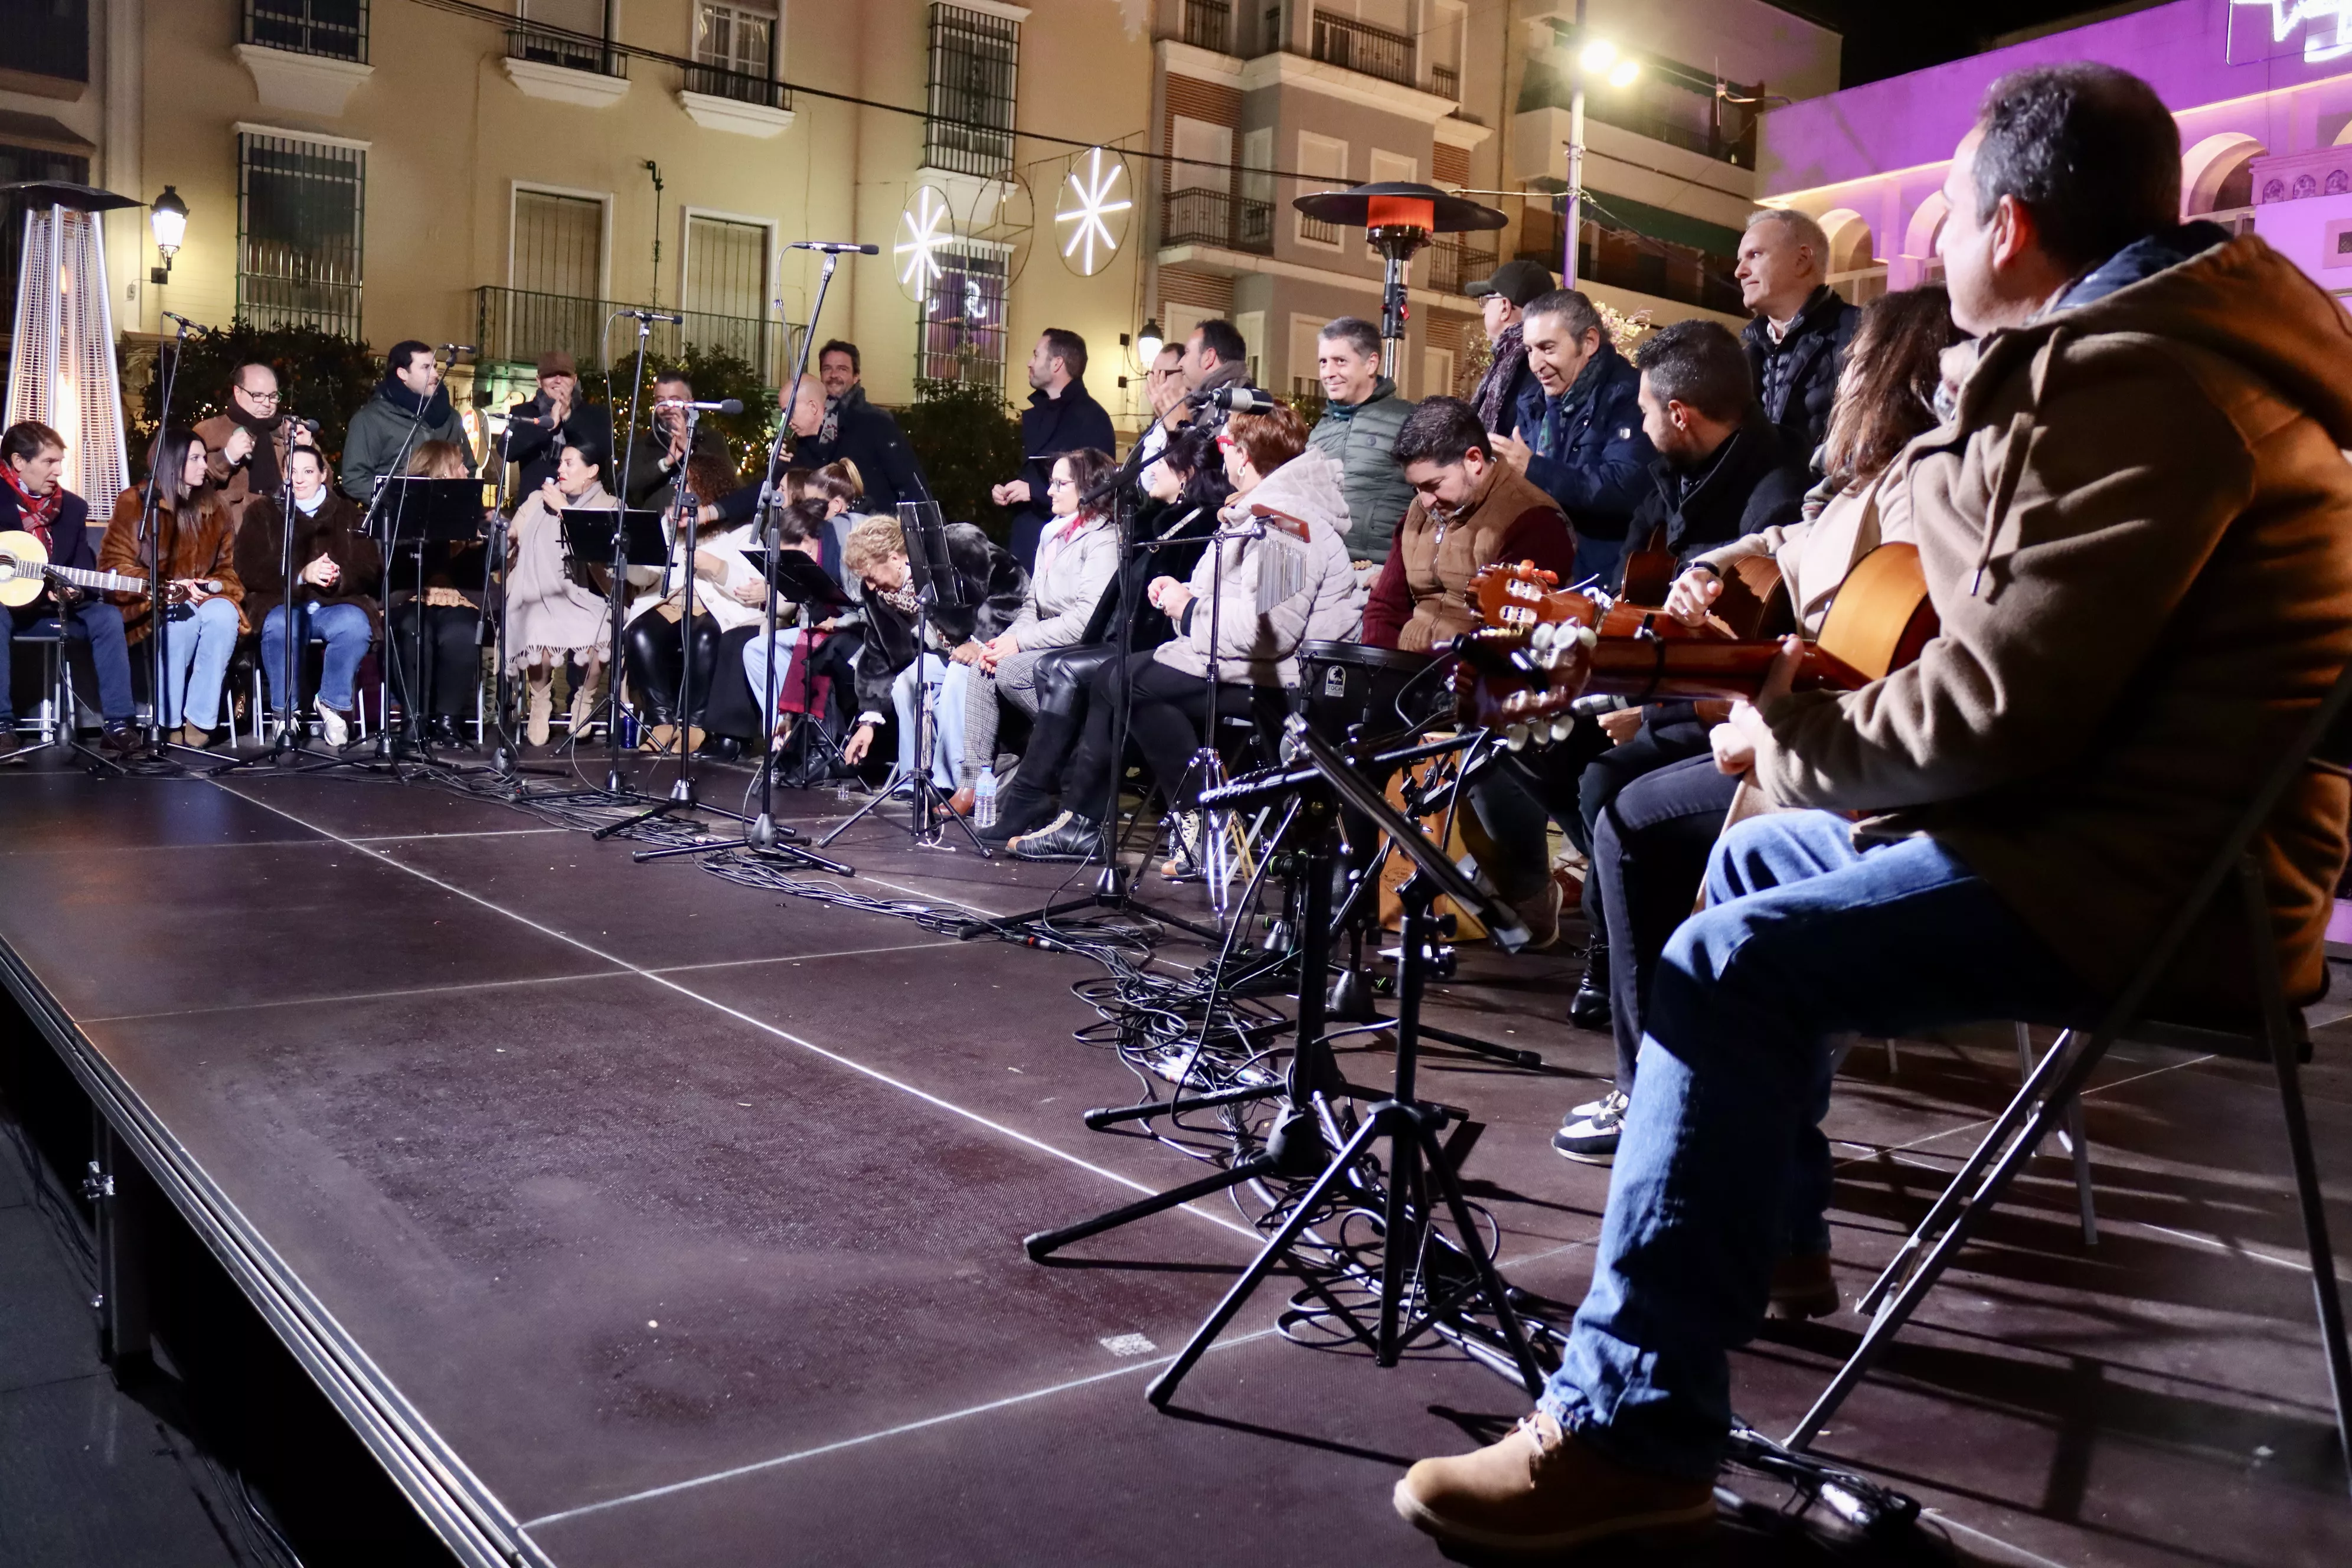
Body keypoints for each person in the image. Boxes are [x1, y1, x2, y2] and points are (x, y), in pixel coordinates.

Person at [1394, 62, 2352, 1552]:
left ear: (2011, 225)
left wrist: (1773, 716)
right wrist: (1768, 617)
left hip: (2159, 881)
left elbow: (1996, 711)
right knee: (1753, 852)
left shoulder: (2147, 384)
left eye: (1948, 220)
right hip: (2083, 830)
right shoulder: (2112, 361)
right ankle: (1763, 1238)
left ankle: (1634, 1428)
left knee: (1730, 955)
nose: (1928, 256)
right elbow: (1907, 548)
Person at [1553, 285, 1957, 1168]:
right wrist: (1720, 565)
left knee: (1628, 816)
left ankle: (1656, 1089)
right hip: (1825, 738)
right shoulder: (1873, 480)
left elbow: (1905, 638)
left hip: (1865, 769)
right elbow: (1789, 545)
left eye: (1857, 365)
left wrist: (1770, 736)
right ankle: (1665, 1081)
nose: (1842, 377)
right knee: (1623, 798)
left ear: (1885, 374)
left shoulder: (1929, 486)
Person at [1557, 318, 1808, 1030]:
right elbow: (1632, 582)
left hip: (1737, 712)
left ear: (1680, 414)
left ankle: (1633, 967)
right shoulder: (1673, 472)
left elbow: (1757, 636)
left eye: (1642, 411)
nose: (1637, 424)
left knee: (1609, 784)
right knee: (1549, 745)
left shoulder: (1778, 485)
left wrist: (1654, 704)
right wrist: (1575, 612)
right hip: (1676, 690)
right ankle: (1626, 943)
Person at [1014, 405, 1357, 865]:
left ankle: (1201, 819)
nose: (1222, 457)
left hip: (1286, 681)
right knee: (1116, 677)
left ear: (1244, 455)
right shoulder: (1257, 511)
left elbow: (1270, 632)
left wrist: (1190, 608)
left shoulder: (1286, 523)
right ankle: (1085, 821)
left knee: (1128, 682)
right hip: (1242, 662)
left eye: (1225, 447)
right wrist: (1182, 594)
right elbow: (1229, 597)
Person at [1361, 397, 1580, 943]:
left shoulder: (1532, 519)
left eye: (1433, 485)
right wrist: (1376, 676)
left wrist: (1425, 672)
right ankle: (1363, 883)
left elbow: (1513, 639)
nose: (1424, 501)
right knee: (1346, 730)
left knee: (1485, 762)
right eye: (1416, 488)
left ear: (1476, 460)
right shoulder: (1422, 510)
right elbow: (1387, 607)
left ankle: (1529, 889)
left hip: (1486, 681)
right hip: (1413, 672)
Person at [979, 423, 1224, 846]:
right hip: (1124, 642)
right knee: (1052, 668)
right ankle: (1039, 802)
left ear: (1184, 472)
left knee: (1072, 672)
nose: (1150, 470)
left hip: (1166, 647)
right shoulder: (1153, 521)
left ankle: (1047, 805)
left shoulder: (1200, 524)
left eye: (1162, 461)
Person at [950, 446, 1121, 811]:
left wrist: (1020, 643)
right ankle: (972, 786)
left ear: (1089, 488)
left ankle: (1068, 749)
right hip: (1046, 640)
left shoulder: (1104, 539)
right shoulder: (1052, 533)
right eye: (1051, 482)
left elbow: (1085, 620)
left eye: (1061, 483)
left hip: (1084, 646)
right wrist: (1008, 639)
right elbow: (1032, 603)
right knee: (986, 663)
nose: (1049, 491)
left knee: (1009, 670)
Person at [837, 513, 1027, 792]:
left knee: (955, 681)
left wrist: (980, 641)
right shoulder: (878, 594)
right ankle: (912, 779)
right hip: (945, 654)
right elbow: (877, 653)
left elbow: (1013, 590)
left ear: (894, 558)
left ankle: (954, 784)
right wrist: (868, 721)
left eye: (871, 576)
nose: (871, 586)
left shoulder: (955, 548)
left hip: (994, 646)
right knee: (907, 683)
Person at [1486, 289, 1654, 585]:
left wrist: (1533, 469)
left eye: (1547, 348)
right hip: (1539, 572)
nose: (1535, 364)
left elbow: (1624, 488)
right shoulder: (1532, 402)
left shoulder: (1631, 398)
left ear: (1588, 342)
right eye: (1529, 350)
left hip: (1600, 579)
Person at [100, 427, 246, 749]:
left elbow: (228, 570)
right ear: (171, 462)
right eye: (194, 459)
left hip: (206, 596)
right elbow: (113, 565)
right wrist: (166, 586)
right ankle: (168, 720)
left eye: (204, 458)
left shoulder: (216, 508)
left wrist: (210, 586)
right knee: (183, 619)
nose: (204, 466)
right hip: (153, 599)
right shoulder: (135, 502)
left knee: (224, 615)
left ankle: (200, 718)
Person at [620, 449, 770, 757]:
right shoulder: (669, 525)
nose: (678, 490)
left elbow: (751, 585)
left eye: (686, 484)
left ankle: (696, 725)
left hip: (716, 607)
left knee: (703, 635)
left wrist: (715, 566)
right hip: (674, 602)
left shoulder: (740, 529)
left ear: (708, 489)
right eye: (678, 485)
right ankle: (661, 720)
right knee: (639, 633)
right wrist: (632, 555)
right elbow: (646, 575)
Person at [0, 421, 136, 760]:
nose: (59, 471)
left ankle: (119, 726)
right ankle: (2, 727)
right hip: (7, 608)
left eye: (60, 461)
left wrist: (74, 592)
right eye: (49, 462)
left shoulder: (73, 508)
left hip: (52, 608)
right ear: (19, 462)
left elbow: (82, 569)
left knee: (106, 616)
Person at [237, 443, 382, 747]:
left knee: (356, 625)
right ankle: (284, 714)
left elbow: (371, 567)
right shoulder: (262, 512)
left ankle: (331, 704)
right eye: (292, 471)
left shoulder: (347, 514)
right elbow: (248, 567)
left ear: (323, 475)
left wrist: (341, 576)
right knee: (279, 626)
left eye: (308, 471)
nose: (299, 478)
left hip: (335, 603)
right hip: (284, 603)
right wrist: (301, 574)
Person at [504, 440, 618, 747]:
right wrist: (509, 537)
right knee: (537, 632)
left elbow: (602, 557)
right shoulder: (535, 501)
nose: (560, 469)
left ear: (592, 471)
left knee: (601, 634)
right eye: (561, 463)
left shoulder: (609, 506)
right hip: (535, 593)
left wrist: (565, 512)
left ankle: (584, 698)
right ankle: (540, 700)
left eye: (569, 463)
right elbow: (514, 534)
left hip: (584, 594)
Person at [1734, 208, 1861, 464]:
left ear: (1802, 259)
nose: (1740, 271)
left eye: (1755, 255)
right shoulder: (1744, 358)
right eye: (1740, 260)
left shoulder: (1863, 336)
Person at [385, 441, 491, 747]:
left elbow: (485, 567)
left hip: (459, 594)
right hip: (412, 594)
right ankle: (413, 721)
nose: (465, 470)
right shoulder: (406, 506)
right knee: (413, 629)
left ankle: (447, 722)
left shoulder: (473, 511)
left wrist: (483, 539)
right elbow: (395, 562)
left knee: (461, 631)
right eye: (459, 464)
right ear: (442, 472)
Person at [990, 329, 1117, 571]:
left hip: (1065, 554)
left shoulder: (1093, 419)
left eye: (1036, 355)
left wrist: (1034, 491)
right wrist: (1008, 490)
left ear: (1057, 363)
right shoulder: (1038, 414)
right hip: (1026, 545)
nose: (1030, 363)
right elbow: (1029, 471)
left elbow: (1099, 489)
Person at [1304, 316, 1415, 571]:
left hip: (1383, 571)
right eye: (1323, 362)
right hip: (1324, 567)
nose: (1328, 373)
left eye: (1340, 361)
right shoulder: (1320, 430)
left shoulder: (1407, 419)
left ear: (1371, 363)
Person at [793, 341, 930, 515]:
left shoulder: (876, 421)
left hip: (870, 528)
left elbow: (907, 482)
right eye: (827, 368)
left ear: (856, 376)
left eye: (842, 369)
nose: (833, 375)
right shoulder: (813, 424)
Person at [342, 342, 473, 502]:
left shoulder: (451, 417)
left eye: (435, 367)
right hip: (395, 522)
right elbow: (354, 478)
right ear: (403, 374)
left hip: (447, 517)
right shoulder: (371, 419)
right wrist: (397, 499)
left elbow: (469, 468)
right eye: (426, 368)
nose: (435, 374)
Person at [197, 361, 316, 535]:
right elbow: (189, 485)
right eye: (258, 395)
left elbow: (324, 482)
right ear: (237, 392)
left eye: (273, 396)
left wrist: (309, 448)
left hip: (288, 534)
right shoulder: (210, 431)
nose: (267, 404)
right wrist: (227, 458)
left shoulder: (290, 430)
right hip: (233, 537)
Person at [505, 350, 614, 499]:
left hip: (582, 506)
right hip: (535, 508)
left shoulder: (595, 414)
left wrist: (568, 416)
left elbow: (604, 449)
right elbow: (507, 451)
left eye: (564, 375)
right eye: (550, 375)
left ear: (574, 380)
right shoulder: (523, 412)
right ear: (539, 381)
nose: (558, 380)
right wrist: (547, 426)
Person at [1464, 258, 1555, 437]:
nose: (1483, 310)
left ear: (1504, 307)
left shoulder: (1526, 368)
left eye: (1485, 301)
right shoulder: (1549, 361)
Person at [623, 370, 731, 510]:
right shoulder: (645, 443)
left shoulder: (711, 438)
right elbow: (627, 485)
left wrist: (690, 449)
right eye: (660, 401)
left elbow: (727, 483)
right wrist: (665, 463)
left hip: (700, 526)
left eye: (674, 400)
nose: (667, 408)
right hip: (659, 527)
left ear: (690, 403)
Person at [1133, 341, 1188, 478]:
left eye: (1163, 374)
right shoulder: (1154, 428)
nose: (1154, 383)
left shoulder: (1198, 422)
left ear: (1184, 374)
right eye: (1152, 375)